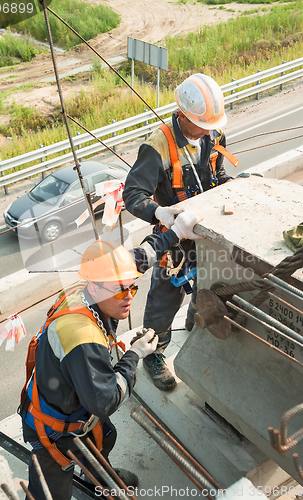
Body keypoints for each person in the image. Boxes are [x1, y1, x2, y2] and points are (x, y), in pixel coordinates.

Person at [19, 210, 200, 500]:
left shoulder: (94, 285)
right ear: (95, 286)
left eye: (132, 287)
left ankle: (99, 480)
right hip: (54, 428)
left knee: (106, 436)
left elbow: (142, 256)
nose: (128, 296)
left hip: (74, 401)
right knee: (52, 487)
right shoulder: (82, 338)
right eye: (120, 291)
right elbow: (104, 400)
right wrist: (134, 356)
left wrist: (176, 232)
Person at [123, 73, 236, 392]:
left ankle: (196, 320)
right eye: (203, 123)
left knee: (208, 282)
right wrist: (158, 211)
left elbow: (218, 172)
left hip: (208, 233)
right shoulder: (158, 146)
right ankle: (153, 352)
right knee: (165, 297)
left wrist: (231, 186)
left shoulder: (215, 134)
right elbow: (132, 194)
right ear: (184, 116)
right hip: (173, 239)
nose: (209, 129)